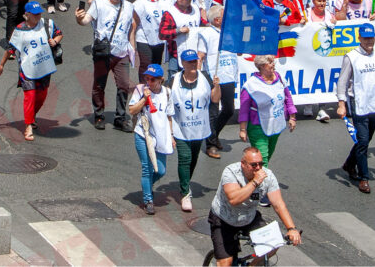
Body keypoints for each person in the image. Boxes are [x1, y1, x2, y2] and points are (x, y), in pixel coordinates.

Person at [208, 147, 302, 266]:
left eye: (260, 164)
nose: (258, 168)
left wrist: (291, 228)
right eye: (253, 165)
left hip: (249, 217)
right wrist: (255, 182)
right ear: (243, 164)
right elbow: (234, 199)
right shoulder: (231, 172)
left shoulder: (268, 176)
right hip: (224, 220)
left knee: (273, 244)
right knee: (225, 263)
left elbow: (278, 204)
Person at [337, 23, 375, 193]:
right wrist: (341, 104)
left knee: (366, 139)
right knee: (362, 140)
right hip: (359, 102)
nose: (369, 41)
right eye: (366, 38)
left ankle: (349, 163)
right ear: (359, 38)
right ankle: (364, 178)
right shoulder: (351, 57)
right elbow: (342, 82)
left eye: (371, 38)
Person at [0, 1, 62, 141]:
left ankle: (32, 116)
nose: (38, 16)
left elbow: (59, 34)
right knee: (30, 96)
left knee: (42, 96)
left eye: (39, 13)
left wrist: (55, 41)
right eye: (35, 14)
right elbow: (10, 49)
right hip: (27, 69)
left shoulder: (47, 24)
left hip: (44, 67)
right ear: (27, 15)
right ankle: (28, 126)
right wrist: (1, 64)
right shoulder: (20, 30)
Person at [77, 0, 134, 131]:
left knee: (124, 85)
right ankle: (99, 115)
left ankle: (120, 118)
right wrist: (79, 18)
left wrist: (132, 48)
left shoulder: (129, 6)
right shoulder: (98, 4)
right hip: (103, 52)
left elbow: (132, 27)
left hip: (121, 53)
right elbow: (85, 21)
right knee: (99, 85)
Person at [171, 48, 221, 212]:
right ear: (182, 63)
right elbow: (164, 99)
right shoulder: (173, 80)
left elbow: (215, 99)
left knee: (193, 158)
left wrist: (217, 86)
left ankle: (185, 182)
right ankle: (185, 193)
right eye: (189, 61)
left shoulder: (205, 77)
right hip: (181, 128)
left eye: (195, 61)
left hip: (199, 128)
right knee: (185, 158)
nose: (193, 64)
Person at [128, 63, 174, 215]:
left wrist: (171, 136)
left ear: (160, 80)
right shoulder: (140, 90)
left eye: (153, 79)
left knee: (160, 170)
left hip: (160, 136)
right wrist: (144, 99)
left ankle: (147, 186)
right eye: (147, 78)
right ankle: (148, 200)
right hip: (143, 134)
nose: (149, 82)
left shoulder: (167, 93)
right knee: (147, 168)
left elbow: (169, 116)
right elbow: (132, 110)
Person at [239, 54, 296, 171]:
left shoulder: (280, 78)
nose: (273, 64)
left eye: (273, 62)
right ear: (261, 66)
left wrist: (292, 117)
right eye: (270, 62)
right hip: (258, 127)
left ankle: (251, 174)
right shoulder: (250, 85)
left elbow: (288, 98)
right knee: (262, 159)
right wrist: (243, 129)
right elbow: (244, 109)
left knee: (268, 155)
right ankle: (260, 181)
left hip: (276, 124)